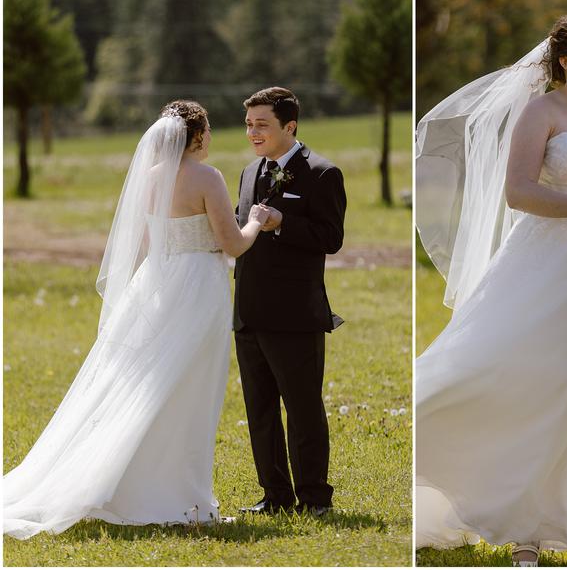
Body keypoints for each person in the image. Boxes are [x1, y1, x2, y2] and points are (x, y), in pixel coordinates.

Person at [415, 10, 567, 567]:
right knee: (532, 385)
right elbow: (519, 192)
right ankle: (523, 529)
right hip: (542, 269)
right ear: (566, 60)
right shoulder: (540, 112)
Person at [4, 100, 270, 539]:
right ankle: (177, 494)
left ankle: (134, 485)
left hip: (157, 284)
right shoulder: (208, 177)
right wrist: (256, 221)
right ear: (198, 136)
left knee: (144, 385)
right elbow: (233, 245)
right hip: (198, 287)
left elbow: (148, 242)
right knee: (188, 391)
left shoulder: (149, 179)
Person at [233, 87, 346, 517]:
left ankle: (315, 498)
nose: (253, 132)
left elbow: (330, 238)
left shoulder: (322, 172)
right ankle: (274, 496)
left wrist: (284, 222)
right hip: (248, 313)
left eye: (262, 124)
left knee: (302, 411)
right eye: (249, 125)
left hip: (295, 314)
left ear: (290, 126)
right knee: (260, 412)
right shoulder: (248, 172)